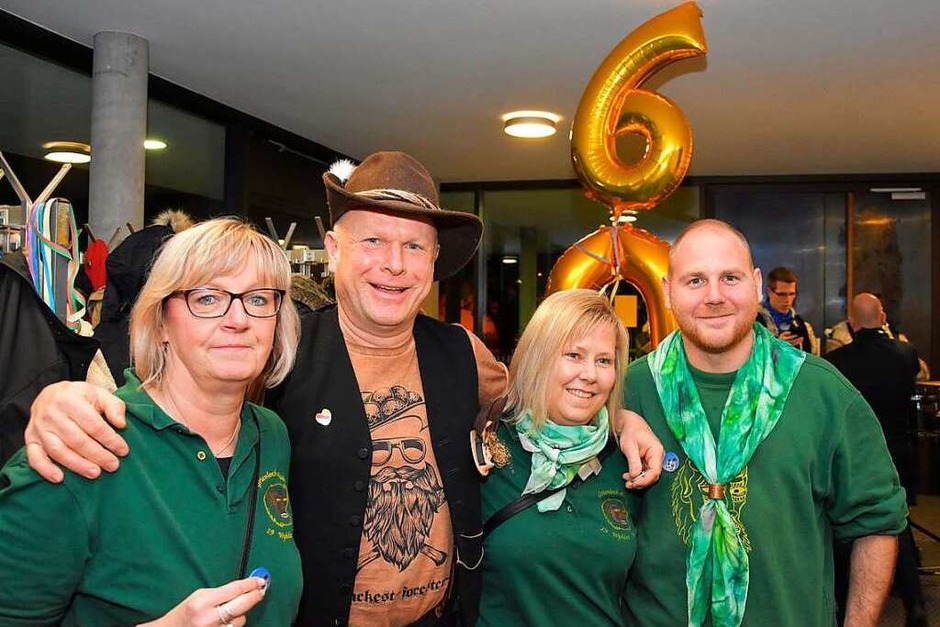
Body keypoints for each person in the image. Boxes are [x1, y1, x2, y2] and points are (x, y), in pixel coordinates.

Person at [22, 151, 666, 626]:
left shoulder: (463, 353)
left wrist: (623, 420)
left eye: (414, 246)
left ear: (433, 263)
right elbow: (176, 384)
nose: (394, 264)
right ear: (333, 249)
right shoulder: (276, 348)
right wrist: (62, 400)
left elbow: (546, 400)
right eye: (374, 240)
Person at [0, 218, 302, 624]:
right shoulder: (83, 443)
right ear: (160, 322)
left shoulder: (271, 435)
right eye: (207, 298)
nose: (238, 319)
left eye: (259, 299)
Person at [622, 219, 906, 626]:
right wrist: (617, 417)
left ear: (756, 284)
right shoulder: (628, 391)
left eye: (730, 278)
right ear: (668, 291)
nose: (714, 296)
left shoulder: (822, 392)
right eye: (695, 280)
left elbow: (878, 522)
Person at [478, 289, 638, 625]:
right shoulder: (486, 446)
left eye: (604, 361)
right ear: (538, 358)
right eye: (574, 355)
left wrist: (629, 422)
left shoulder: (627, 458)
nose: (590, 374)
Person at [826, 292, 927, 626]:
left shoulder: (838, 361)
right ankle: (915, 602)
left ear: (851, 322)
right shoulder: (906, 354)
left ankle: (846, 603)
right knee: (897, 525)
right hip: (900, 450)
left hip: (858, 454)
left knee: (852, 528)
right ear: (882, 318)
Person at [756, 266, 819, 354]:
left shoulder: (801, 324)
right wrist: (775, 347)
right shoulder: (755, 322)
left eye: (792, 294)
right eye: (781, 294)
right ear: (770, 292)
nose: (787, 300)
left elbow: (813, 355)